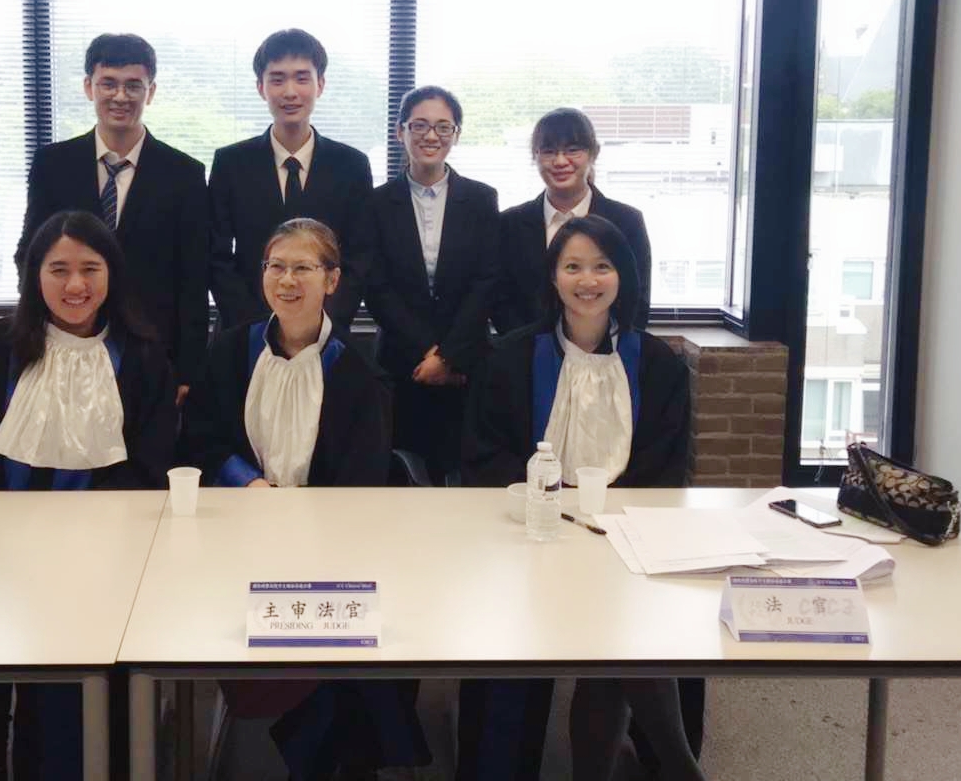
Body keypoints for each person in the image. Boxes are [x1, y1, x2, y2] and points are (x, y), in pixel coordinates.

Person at [0, 210, 177, 781]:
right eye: (58, 269)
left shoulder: (142, 357)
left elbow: (150, 464)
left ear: (112, 274)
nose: (75, 285)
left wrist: (85, 537)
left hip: (99, 560)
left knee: (70, 701)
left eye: (90, 268)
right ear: (34, 275)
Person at [181, 218, 428, 779]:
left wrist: (303, 528)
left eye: (303, 268)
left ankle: (326, 750)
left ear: (332, 280)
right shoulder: (231, 351)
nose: (287, 280)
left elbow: (362, 485)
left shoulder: (359, 373)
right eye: (276, 266)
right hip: (237, 536)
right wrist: (248, 482)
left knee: (345, 647)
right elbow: (200, 438)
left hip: (327, 548)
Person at [459, 214, 702, 781]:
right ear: (553, 277)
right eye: (572, 266)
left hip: (626, 539)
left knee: (625, 632)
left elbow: (666, 468)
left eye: (602, 266)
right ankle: (672, 768)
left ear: (623, 276)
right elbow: (484, 454)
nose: (587, 280)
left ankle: (644, 764)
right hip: (529, 537)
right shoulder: (511, 357)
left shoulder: (658, 364)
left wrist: (608, 523)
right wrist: (552, 504)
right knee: (613, 642)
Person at [16, 32, 208, 405]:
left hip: (152, 350)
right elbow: (30, 254)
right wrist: (34, 333)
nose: (120, 96)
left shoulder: (184, 173)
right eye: (109, 83)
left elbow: (193, 276)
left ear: (150, 92)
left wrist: (189, 367)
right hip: (66, 341)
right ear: (89, 87)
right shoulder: (52, 164)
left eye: (133, 85)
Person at [363, 86, 499, 483]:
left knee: (466, 476)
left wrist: (449, 356)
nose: (431, 136)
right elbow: (376, 285)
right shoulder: (375, 203)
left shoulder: (481, 198)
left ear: (456, 134)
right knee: (403, 477)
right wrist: (427, 351)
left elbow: (487, 280)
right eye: (419, 125)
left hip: (466, 364)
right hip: (402, 361)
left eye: (443, 127)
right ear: (400, 132)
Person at [207, 28, 373, 330]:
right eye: (278, 79)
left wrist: (318, 326)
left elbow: (359, 259)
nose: (290, 92)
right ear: (261, 87)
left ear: (320, 84)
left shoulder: (351, 165)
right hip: (245, 332)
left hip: (326, 334)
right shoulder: (231, 163)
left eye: (302, 78)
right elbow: (216, 256)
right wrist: (257, 328)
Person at [492, 107, 652, 333]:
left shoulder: (627, 221)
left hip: (609, 350)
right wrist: (530, 346)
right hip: (525, 350)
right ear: (535, 156)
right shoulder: (510, 224)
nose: (560, 161)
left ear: (594, 153)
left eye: (573, 150)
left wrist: (600, 346)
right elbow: (500, 300)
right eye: (548, 151)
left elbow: (636, 300)